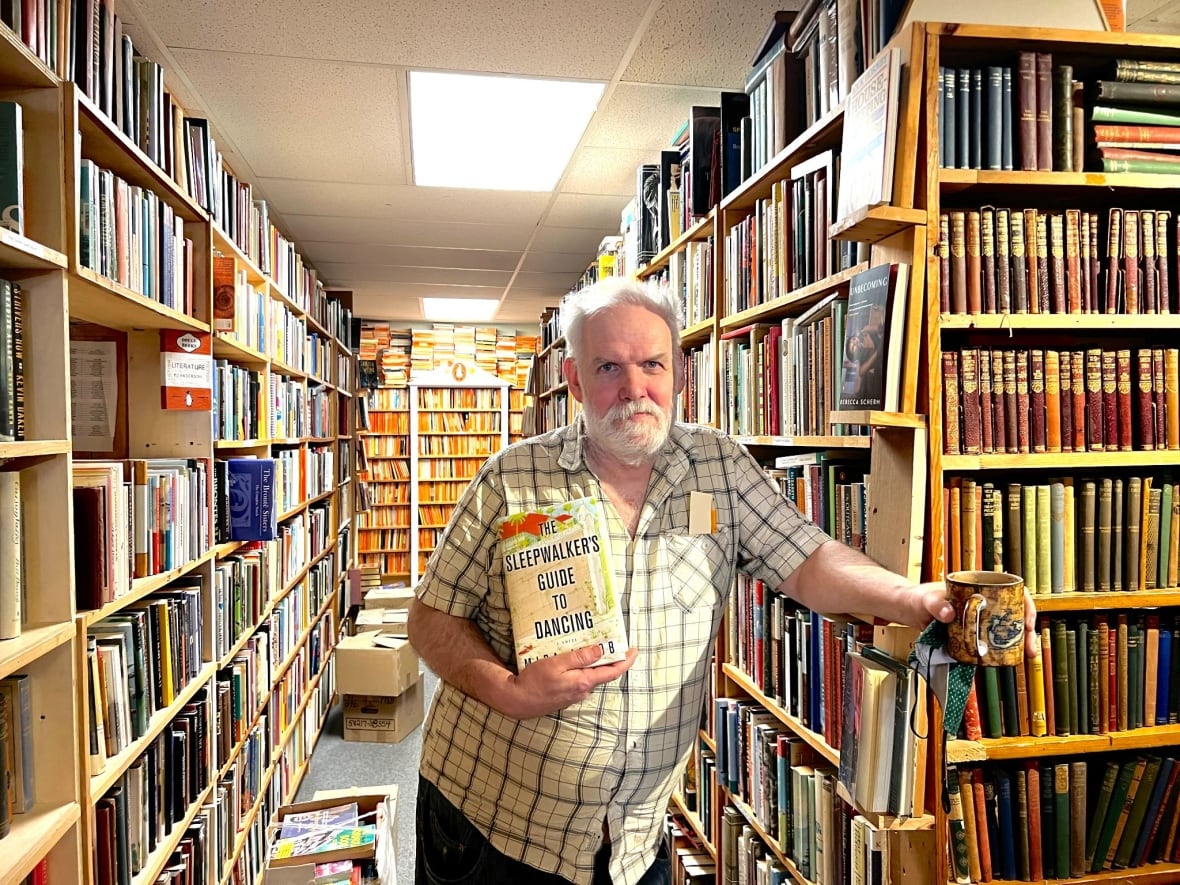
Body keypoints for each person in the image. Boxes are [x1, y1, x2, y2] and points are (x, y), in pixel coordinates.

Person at [407, 277, 1037, 885]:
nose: (636, 389)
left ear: (678, 370)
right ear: (572, 378)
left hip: (633, 844)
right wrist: (512, 690)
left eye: (652, 365)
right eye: (608, 369)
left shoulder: (719, 466)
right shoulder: (511, 480)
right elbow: (430, 619)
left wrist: (915, 598)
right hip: (491, 824)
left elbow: (810, 559)